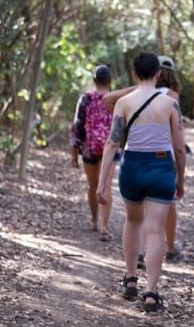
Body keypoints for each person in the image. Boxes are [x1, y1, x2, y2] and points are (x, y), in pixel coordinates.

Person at [96, 52, 186, 313]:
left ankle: (131, 277)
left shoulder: (124, 102)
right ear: (158, 74)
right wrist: (180, 179)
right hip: (161, 169)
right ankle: (151, 292)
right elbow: (179, 149)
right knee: (156, 229)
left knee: (133, 221)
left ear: (134, 74)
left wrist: (102, 183)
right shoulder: (170, 104)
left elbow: (113, 143)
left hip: (132, 167)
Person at [69, 65, 131, 240]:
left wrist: (74, 151)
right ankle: (104, 227)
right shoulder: (117, 99)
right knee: (105, 185)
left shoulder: (85, 99)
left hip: (89, 148)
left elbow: (77, 125)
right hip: (110, 147)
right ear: (110, 80)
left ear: (94, 80)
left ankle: (94, 220)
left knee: (93, 184)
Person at [156, 56, 184, 262]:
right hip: (166, 153)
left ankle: (141, 250)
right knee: (169, 201)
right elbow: (177, 132)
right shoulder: (173, 95)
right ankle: (171, 246)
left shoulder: (141, 94)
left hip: (141, 151)